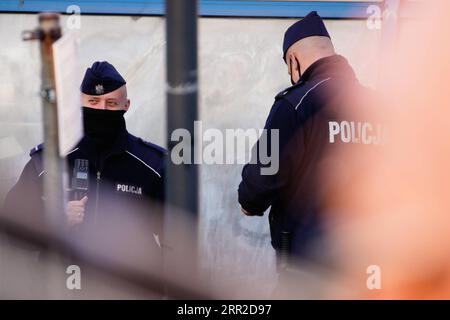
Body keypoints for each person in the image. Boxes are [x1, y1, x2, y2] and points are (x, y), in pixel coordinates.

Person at [238, 12, 379, 265]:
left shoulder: (294, 104)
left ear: (293, 60)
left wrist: (249, 200)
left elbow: (258, 184)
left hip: (310, 270)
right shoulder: (378, 106)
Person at [3, 61, 166, 271]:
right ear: (79, 104)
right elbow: (11, 233)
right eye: (93, 101)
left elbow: (179, 244)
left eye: (111, 103)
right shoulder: (48, 161)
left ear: (126, 105)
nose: (102, 109)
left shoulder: (152, 165)